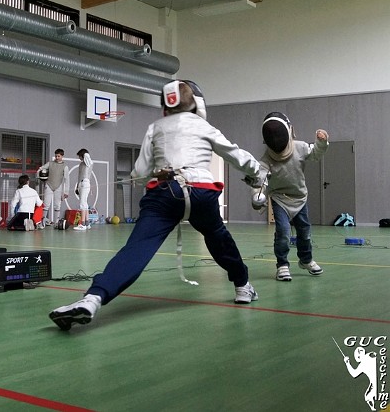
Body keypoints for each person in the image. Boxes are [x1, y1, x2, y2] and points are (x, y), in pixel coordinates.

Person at [49, 80, 267, 330]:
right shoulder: (204, 126)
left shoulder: (156, 126)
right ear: (196, 105)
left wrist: (158, 170)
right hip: (201, 193)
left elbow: (139, 171)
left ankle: (93, 298)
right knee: (219, 238)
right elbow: (236, 155)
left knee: (136, 249)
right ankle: (242, 286)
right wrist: (258, 173)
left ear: (165, 107)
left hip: (165, 193)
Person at [253, 112, 328, 281]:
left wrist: (321, 142)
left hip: (300, 197)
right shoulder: (266, 159)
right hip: (280, 199)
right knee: (283, 233)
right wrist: (256, 197)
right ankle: (282, 265)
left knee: (304, 231)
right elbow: (260, 181)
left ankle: (306, 260)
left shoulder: (300, 147)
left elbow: (315, 153)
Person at [38, 149, 69, 226]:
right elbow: (41, 168)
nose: (57, 157)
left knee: (57, 205)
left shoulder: (65, 167)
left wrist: (66, 192)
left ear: (62, 156)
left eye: (59, 156)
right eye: (56, 156)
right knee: (46, 204)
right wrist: (39, 173)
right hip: (49, 185)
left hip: (58, 186)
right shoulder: (50, 163)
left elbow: (67, 180)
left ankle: (56, 222)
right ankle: (43, 221)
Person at [73, 148, 93, 231]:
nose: (79, 158)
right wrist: (77, 186)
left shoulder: (88, 162)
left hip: (85, 183)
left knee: (82, 204)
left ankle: (83, 224)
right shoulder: (81, 164)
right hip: (81, 184)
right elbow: (79, 176)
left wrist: (85, 153)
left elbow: (87, 158)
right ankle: (87, 224)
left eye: (80, 156)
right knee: (84, 203)